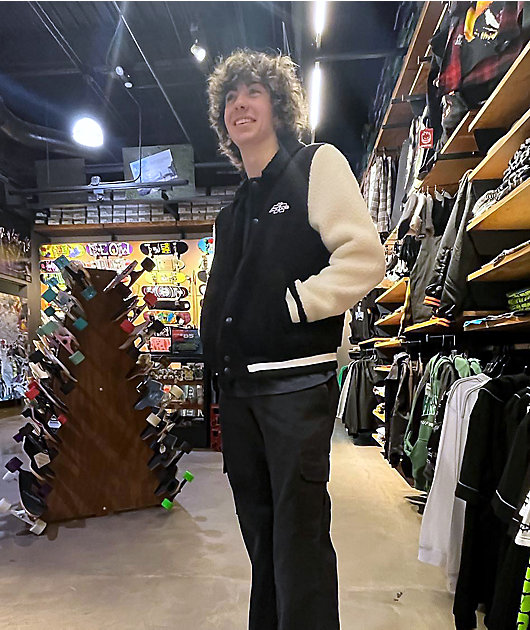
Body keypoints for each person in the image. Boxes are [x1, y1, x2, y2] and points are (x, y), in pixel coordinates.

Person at [200, 49, 386, 630]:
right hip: (239, 393)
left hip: (294, 388)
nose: (240, 105)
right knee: (260, 538)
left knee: (299, 538)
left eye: (253, 93)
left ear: (278, 106)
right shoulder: (233, 210)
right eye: (231, 97)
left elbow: (364, 257)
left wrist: (298, 305)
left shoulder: (315, 166)